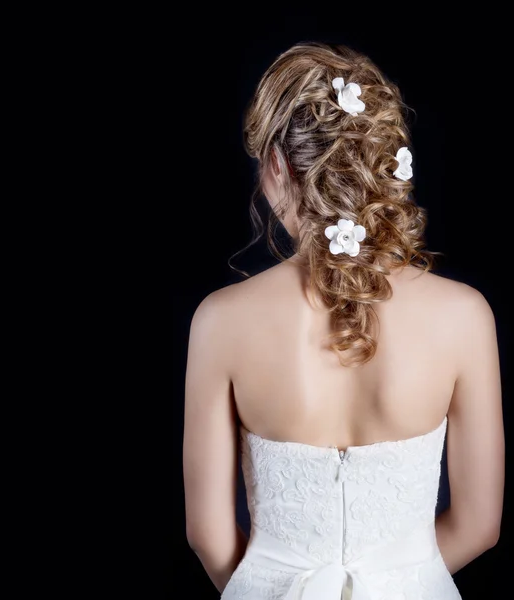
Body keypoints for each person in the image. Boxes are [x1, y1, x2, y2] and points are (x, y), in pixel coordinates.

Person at [182, 42, 504, 599]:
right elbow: (479, 524)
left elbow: (208, 535)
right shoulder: (465, 316)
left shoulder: (220, 321)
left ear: (278, 166)